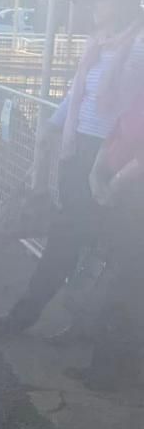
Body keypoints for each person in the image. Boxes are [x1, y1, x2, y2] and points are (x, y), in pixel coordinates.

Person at [0, 0, 144, 336]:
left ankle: (49, 323)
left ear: (121, 4)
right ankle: (64, 324)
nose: (94, 6)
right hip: (79, 149)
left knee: (87, 245)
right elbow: (78, 94)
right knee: (75, 241)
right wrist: (52, 128)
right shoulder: (99, 46)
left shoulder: (138, 46)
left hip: (110, 158)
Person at [70, 89, 144, 390]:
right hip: (120, 198)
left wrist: (114, 182)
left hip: (133, 200)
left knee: (123, 288)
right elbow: (113, 135)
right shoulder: (136, 98)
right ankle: (109, 366)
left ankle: (111, 372)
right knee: (117, 281)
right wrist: (95, 174)